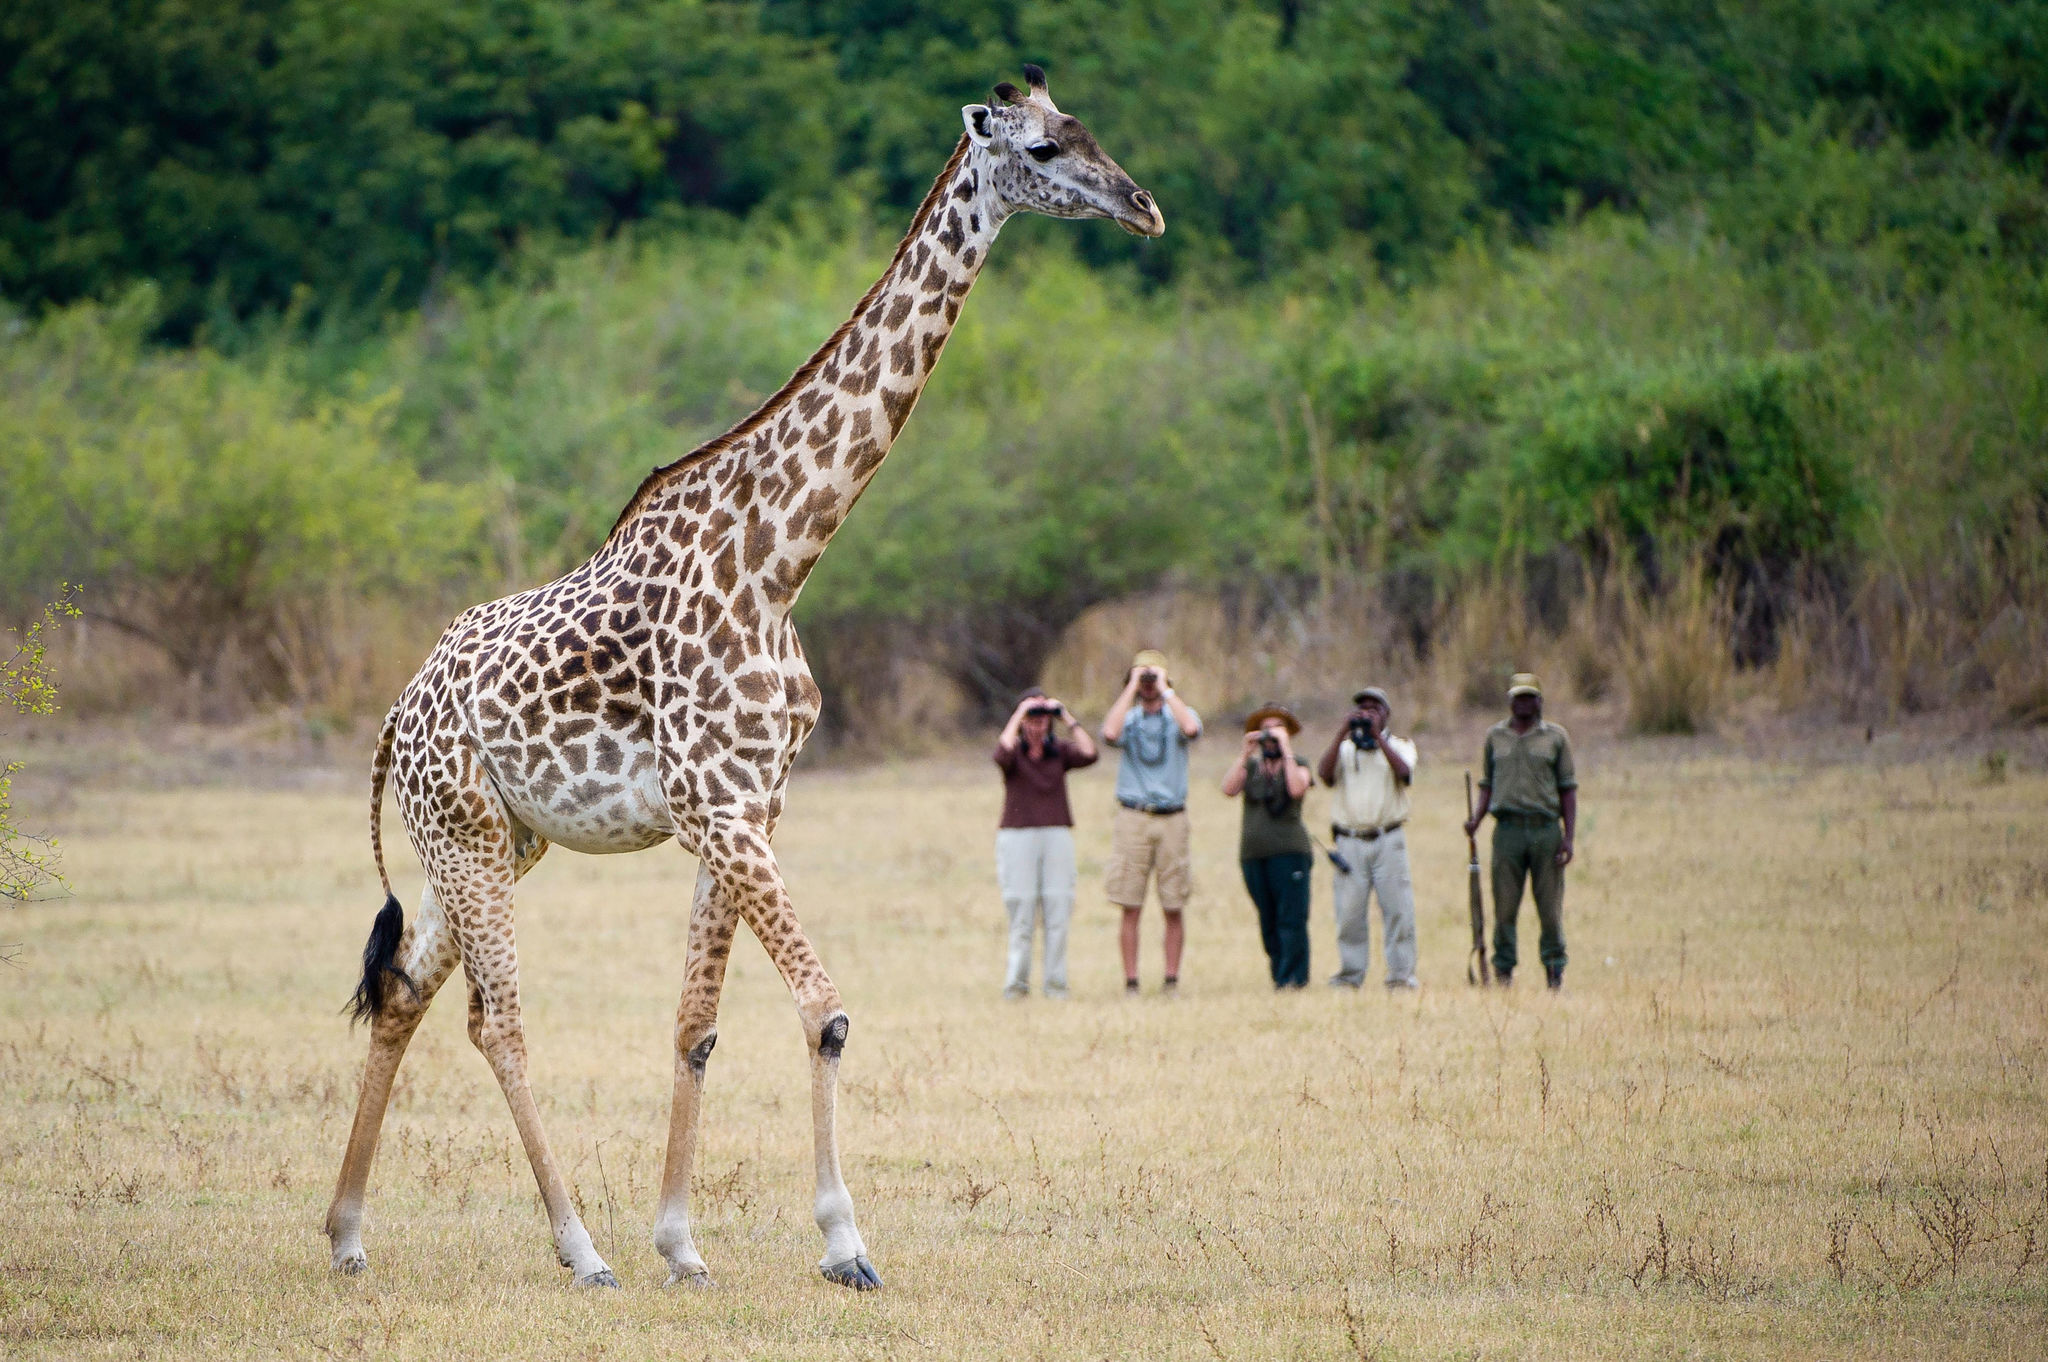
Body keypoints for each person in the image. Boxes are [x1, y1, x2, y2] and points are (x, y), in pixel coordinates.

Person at [1463, 672, 1578, 989]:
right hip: (1507, 831)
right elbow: (1487, 784)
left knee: (1550, 908)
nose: (1523, 703)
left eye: (1529, 697)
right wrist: (1476, 819)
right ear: (1510, 701)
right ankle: (1503, 972)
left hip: (1545, 830)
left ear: (1540, 701)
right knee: (1504, 907)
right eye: (1518, 697)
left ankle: (1554, 971)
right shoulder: (1495, 737)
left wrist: (1568, 836)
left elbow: (1568, 789)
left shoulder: (1555, 738)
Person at [1100, 649, 1202, 995]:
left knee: (1173, 903)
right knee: (1130, 903)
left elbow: (1190, 728)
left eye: (1152, 677)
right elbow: (1109, 734)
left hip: (1172, 816)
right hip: (1134, 816)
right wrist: (1131, 688)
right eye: (1142, 678)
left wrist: (1165, 689)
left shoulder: (1179, 714)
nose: (1147, 684)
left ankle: (1171, 980)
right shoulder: (1129, 718)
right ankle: (1131, 982)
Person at [993, 687, 1098, 999]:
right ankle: (1016, 986)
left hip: (1056, 835)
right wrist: (1019, 713)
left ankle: (1056, 986)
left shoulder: (1060, 752)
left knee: (1058, 910)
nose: (1037, 726)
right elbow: (1000, 755)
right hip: (1018, 836)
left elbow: (1091, 753)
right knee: (1022, 912)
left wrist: (1064, 716)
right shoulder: (1014, 753)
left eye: (1042, 720)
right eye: (1031, 719)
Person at [1315, 686, 1420, 990]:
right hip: (1350, 840)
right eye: (1362, 709)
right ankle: (1349, 975)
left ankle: (1401, 977)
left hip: (1388, 837)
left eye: (1375, 709)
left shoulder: (1400, 746)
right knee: (1349, 912)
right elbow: (1325, 776)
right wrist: (1340, 735)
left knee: (1398, 910)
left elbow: (1405, 774)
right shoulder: (1346, 750)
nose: (1368, 713)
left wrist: (1377, 738)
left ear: (1387, 715)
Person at [1222, 705, 1315, 989]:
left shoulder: (1299, 763)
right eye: (1266, 729)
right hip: (1253, 854)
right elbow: (1228, 789)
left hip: (1290, 852)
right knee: (1268, 919)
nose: (1271, 735)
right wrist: (1245, 752)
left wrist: (1285, 748)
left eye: (1278, 728)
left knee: (1292, 917)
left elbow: (1298, 788)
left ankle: (1295, 979)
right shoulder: (1250, 767)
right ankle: (1279, 976)